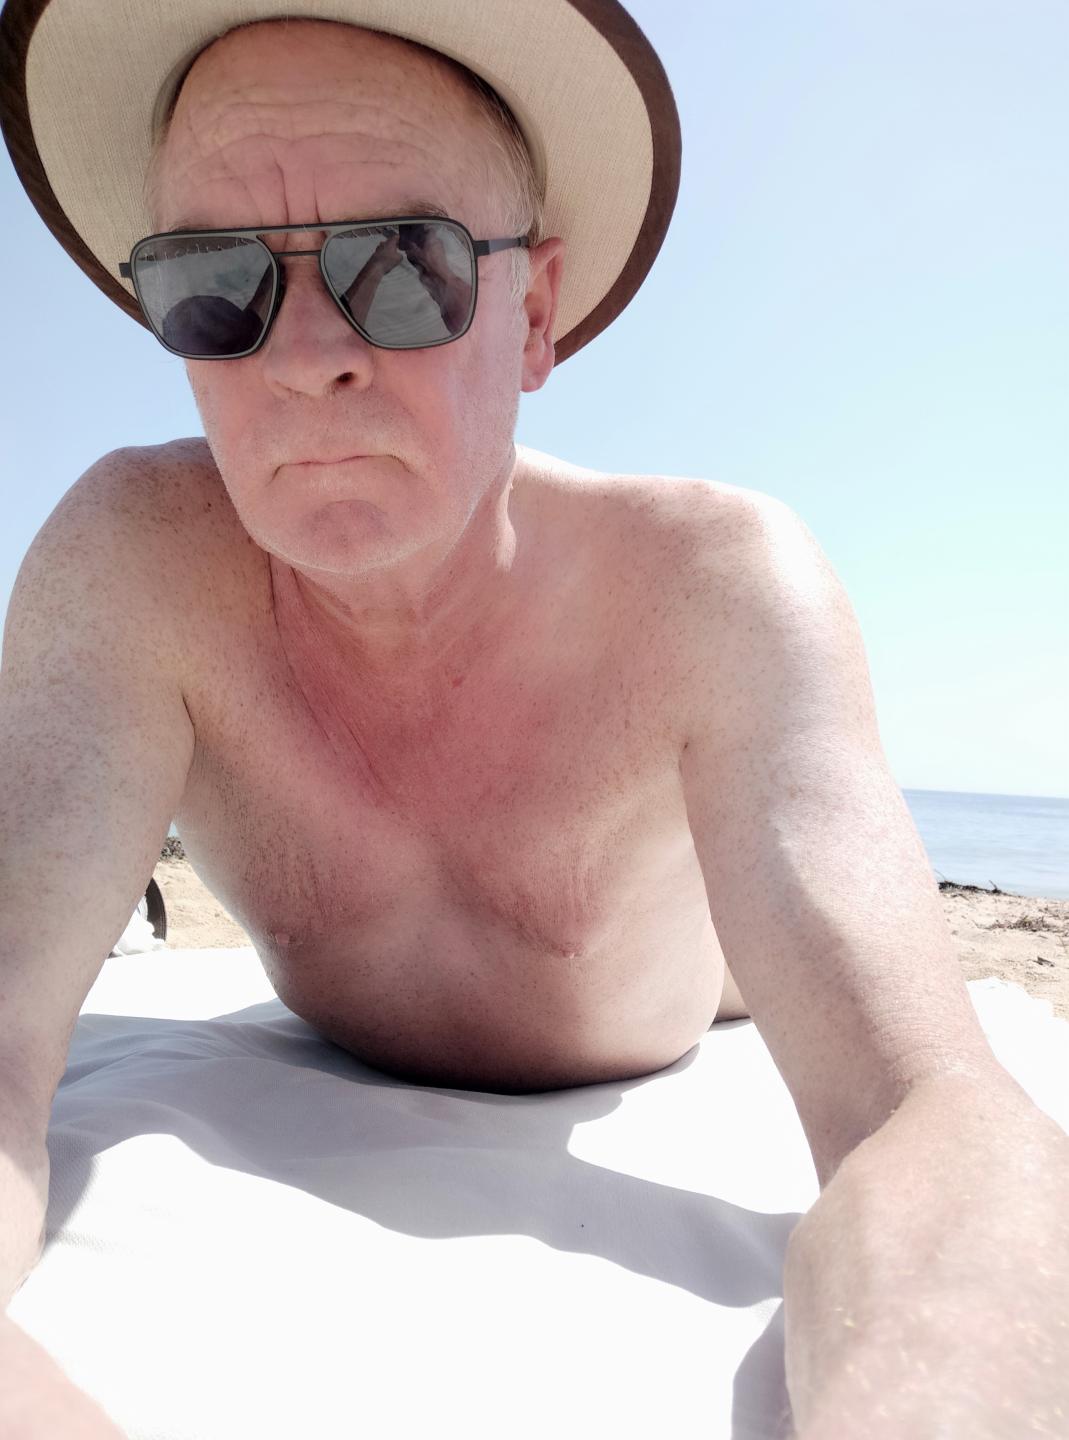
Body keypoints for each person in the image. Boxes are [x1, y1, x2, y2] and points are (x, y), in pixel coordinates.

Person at [0, 3, 1066, 1437]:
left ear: (537, 314)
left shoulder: (713, 590)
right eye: (213, 281)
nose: (305, 355)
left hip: (705, 987)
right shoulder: (137, 567)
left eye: (399, 266)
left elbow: (927, 1112)